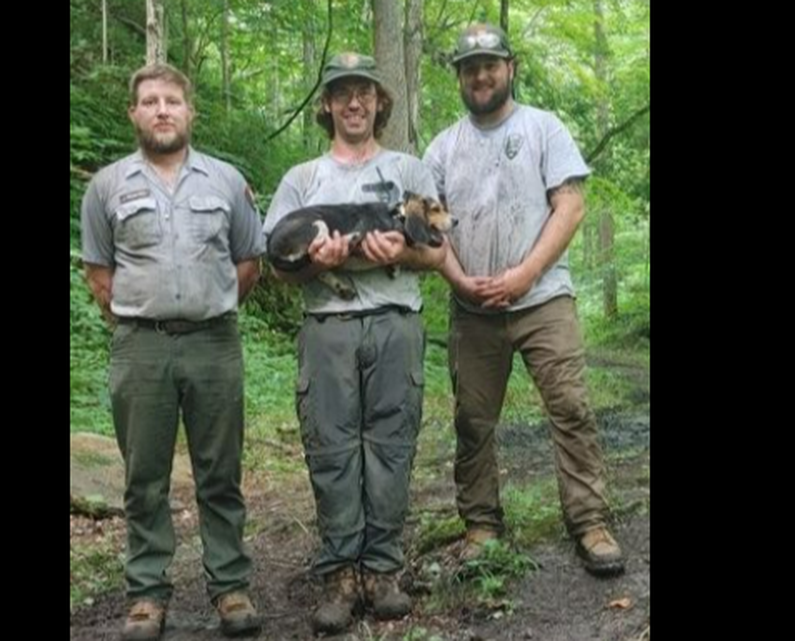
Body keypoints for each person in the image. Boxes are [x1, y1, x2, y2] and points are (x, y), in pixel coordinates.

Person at [423, 23, 626, 577]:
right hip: (472, 309)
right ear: (459, 78)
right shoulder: (443, 146)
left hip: (543, 301)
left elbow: (570, 207)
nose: (481, 75)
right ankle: (482, 524)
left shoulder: (544, 128)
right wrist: (462, 282)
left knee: (572, 409)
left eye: (490, 64)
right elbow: (428, 227)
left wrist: (523, 274)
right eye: (470, 68)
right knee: (472, 420)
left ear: (510, 68)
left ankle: (590, 523)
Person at [262, 52, 447, 634]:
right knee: (332, 448)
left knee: (392, 442)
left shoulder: (410, 171)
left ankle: (384, 570)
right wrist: (316, 266)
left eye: (363, 91)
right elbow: (277, 266)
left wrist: (405, 253)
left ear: (379, 101)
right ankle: (341, 573)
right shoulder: (302, 180)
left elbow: (436, 251)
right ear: (326, 104)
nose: (353, 102)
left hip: (396, 320)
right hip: (329, 329)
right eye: (341, 92)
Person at [80, 62, 265, 640]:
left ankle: (231, 586)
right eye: (150, 101)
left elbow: (249, 261)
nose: (162, 110)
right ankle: (147, 595)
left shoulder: (227, 182)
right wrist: (144, 317)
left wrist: (210, 304)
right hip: (141, 348)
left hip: (214, 344)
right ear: (134, 113)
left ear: (191, 112)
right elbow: (99, 272)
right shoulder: (107, 186)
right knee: (144, 477)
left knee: (221, 472)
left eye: (173, 101)